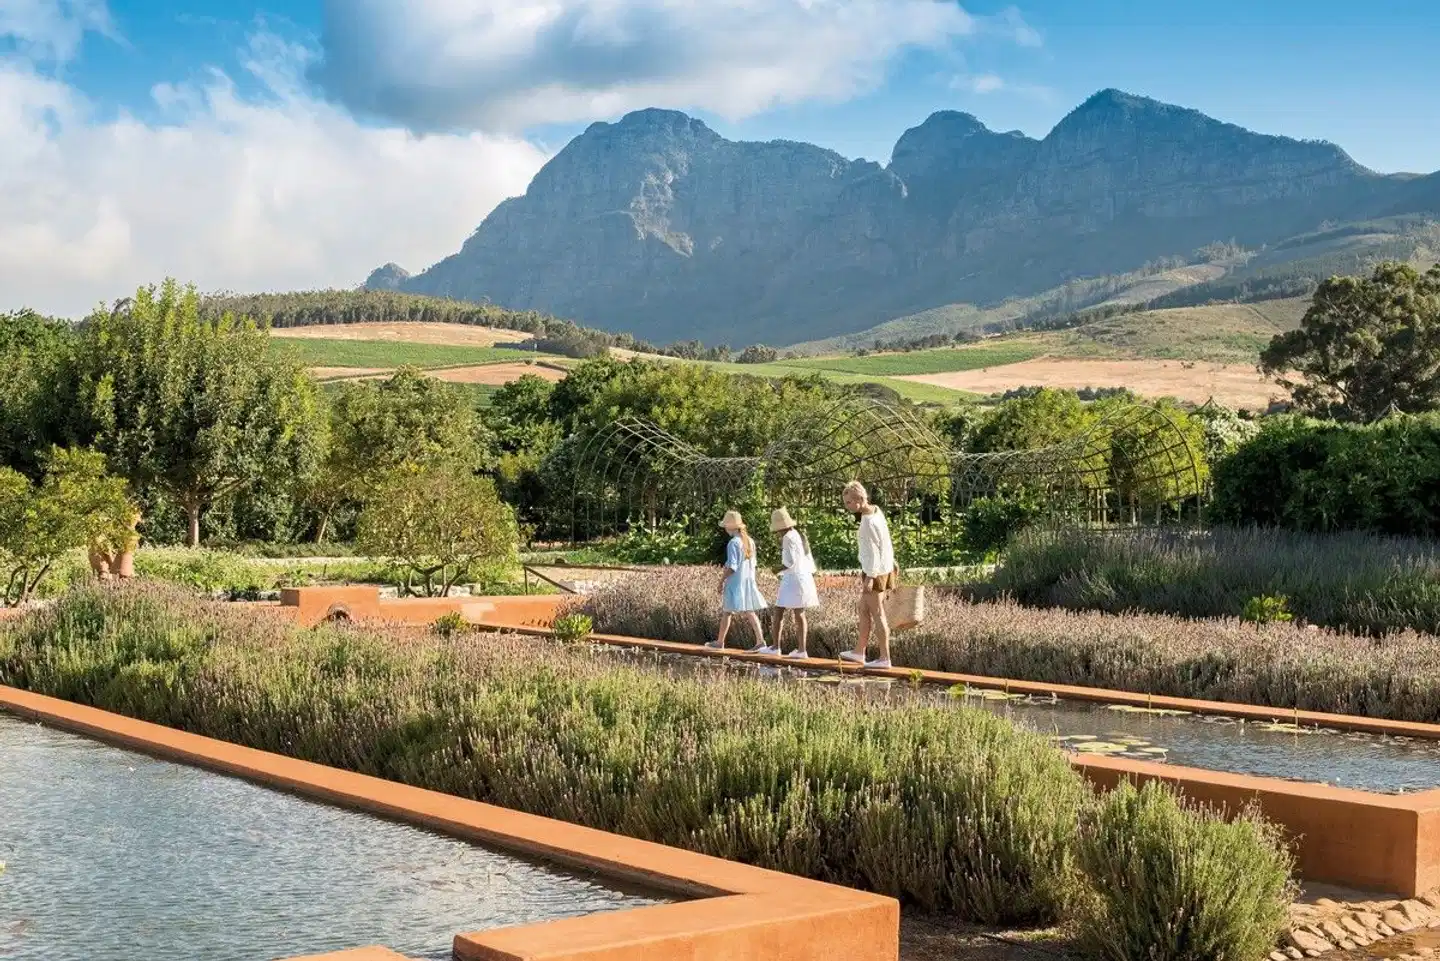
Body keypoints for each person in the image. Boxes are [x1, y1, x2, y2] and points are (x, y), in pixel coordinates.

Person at [840, 481, 895, 669]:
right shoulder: (876, 511)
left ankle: (884, 658)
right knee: (863, 609)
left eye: (849, 502)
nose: (847, 506)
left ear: (859, 499)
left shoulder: (867, 523)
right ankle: (859, 652)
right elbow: (885, 541)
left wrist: (869, 578)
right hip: (883, 568)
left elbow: (873, 552)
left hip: (875, 572)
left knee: (878, 614)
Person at [707, 510, 768, 651]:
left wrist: (721, 581)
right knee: (749, 611)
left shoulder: (733, 543)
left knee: (727, 612)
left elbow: (732, 567)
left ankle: (720, 642)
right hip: (748, 581)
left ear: (730, 527)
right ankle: (760, 640)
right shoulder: (750, 541)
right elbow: (753, 564)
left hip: (735, 583)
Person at [769, 507, 819, 659]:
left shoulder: (787, 538)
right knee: (799, 613)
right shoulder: (797, 534)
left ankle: (775, 647)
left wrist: (776, 569)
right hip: (802, 577)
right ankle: (802, 649)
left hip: (792, 580)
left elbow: (789, 562)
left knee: (778, 611)